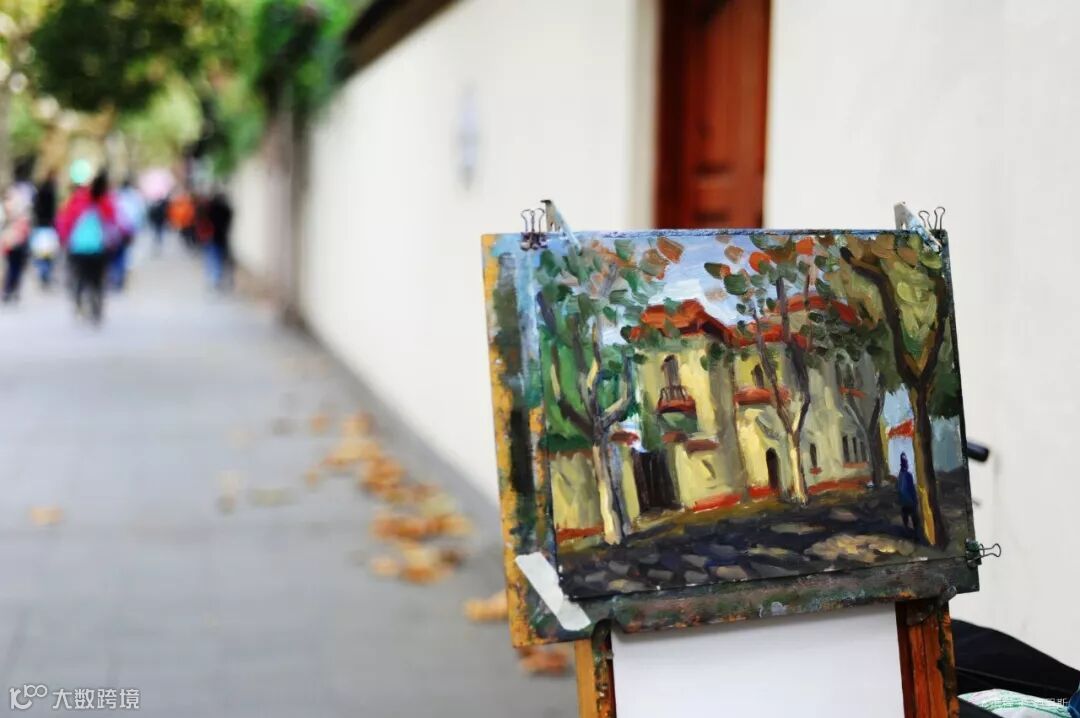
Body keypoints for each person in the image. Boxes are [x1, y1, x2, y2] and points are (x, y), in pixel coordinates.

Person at [57, 172, 117, 323]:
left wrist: (64, 240)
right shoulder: (105, 201)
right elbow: (113, 222)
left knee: (80, 278)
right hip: (99, 248)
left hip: (78, 248)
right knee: (97, 280)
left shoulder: (78, 200)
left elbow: (64, 221)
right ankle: (96, 308)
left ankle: (79, 304)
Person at [110, 178, 145, 290]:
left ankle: (116, 277)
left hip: (116, 231)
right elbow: (139, 213)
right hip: (128, 230)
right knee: (124, 253)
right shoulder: (134, 197)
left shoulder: (116, 196)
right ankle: (120, 277)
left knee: (116, 255)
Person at [1, 188, 32, 303]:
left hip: (14, 242)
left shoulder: (10, 211)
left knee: (13, 267)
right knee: (14, 267)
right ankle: (11, 289)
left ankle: (10, 289)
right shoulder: (16, 213)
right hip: (13, 242)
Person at [31, 172, 60, 288]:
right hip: (47, 225)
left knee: (41, 252)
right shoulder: (51, 192)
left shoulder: (39, 192)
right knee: (47, 253)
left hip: (40, 225)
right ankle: (45, 274)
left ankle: (43, 274)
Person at [204, 188, 234, 290]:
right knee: (218, 259)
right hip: (222, 238)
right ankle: (216, 278)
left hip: (211, 237)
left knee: (213, 258)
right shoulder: (225, 210)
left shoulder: (211, 210)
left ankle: (214, 278)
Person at [897, 452, 917, 534]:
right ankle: (914, 532)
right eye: (907, 463)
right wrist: (913, 500)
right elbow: (908, 489)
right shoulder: (908, 475)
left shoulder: (900, 475)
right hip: (909, 501)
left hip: (903, 501)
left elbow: (900, 488)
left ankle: (907, 530)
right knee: (914, 517)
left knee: (905, 516)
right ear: (906, 465)